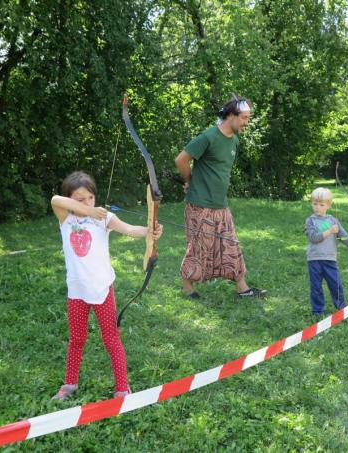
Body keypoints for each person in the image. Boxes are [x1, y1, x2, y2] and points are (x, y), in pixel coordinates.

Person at [50, 171, 164, 400]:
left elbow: (130, 229)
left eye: (90, 198)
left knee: (111, 339)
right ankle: (70, 384)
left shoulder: (104, 218)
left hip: (102, 289)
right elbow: (55, 200)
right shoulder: (66, 218)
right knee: (77, 339)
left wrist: (150, 232)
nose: (86, 203)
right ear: (71, 199)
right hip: (77, 291)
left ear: (95, 196)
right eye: (79, 199)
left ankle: (122, 387)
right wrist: (89, 210)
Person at [174, 94, 267, 299]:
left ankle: (243, 288)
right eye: (244, 118)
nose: (247, 123)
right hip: (200, 204)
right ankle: (188, 288)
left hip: (221, 205)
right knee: (199, 247)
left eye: (248, 118)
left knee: (230, 243)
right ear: (231, 116)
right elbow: (181, 160)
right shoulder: (208, 137)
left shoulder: (234, 140)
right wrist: (189, 181)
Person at [304, 188, 348, 317]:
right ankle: (317, 311)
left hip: (330, 259)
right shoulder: (310, 221)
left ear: (328, 205)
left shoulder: (333, 221)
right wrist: (329, 231)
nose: (317, 207)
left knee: (336, 284)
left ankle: (342, 307)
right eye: (315, 204)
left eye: (321, 204)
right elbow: (314, 237)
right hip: (314, 259)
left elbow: (343, 237)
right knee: (316, 287)